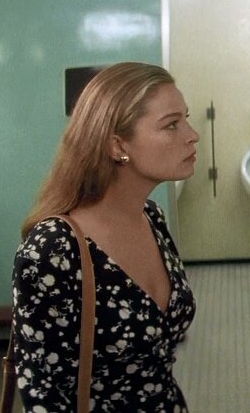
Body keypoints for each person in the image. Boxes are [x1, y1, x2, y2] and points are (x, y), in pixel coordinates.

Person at [12, 62, 199, 412]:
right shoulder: (54, 249)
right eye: (172, 124)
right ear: (117, 145)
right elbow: (43, 394)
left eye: (185, 119)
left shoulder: (152, 217)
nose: (192, 135)